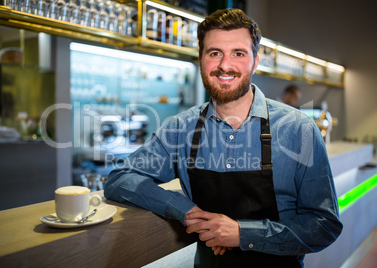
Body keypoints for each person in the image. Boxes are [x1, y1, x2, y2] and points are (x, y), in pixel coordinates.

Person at [104, 8, 342, 267]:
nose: (225, 65)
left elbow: (324, 225)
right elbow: (120, 179)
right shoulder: (180, 129)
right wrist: (186, 211)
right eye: (214, 53)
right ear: (201, 59)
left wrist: (243, 234)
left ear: (255, 61)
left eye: (238, 54)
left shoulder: (299, 130)